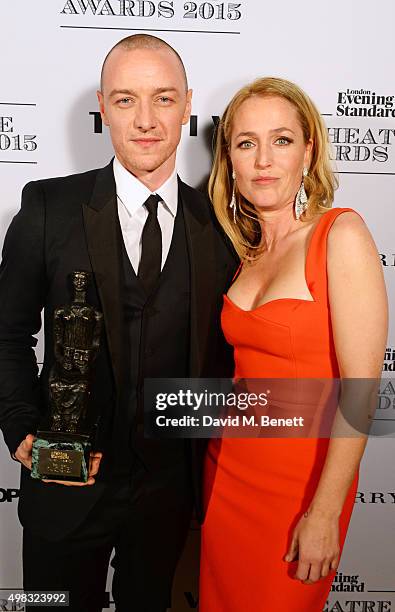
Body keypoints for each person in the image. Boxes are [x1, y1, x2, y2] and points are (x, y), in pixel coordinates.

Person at [0, 35, 237, 612]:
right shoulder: (48, 209)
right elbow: (5, 335)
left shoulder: (223, 228)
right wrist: (22, 430)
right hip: (63, 491)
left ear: (187, 105)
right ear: (103, 108)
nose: (147, 120)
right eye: (126, 100)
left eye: (162, 99)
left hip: (168, 497)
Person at [199, 77, 387, 611]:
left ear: (308, 152)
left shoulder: (339, 236)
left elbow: (362, 391)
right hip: (227, 474)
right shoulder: (244, 256)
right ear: (229, 160)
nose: (263, 159)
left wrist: (325, 511)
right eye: (245, 142)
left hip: (299, 490)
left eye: (281, 140)